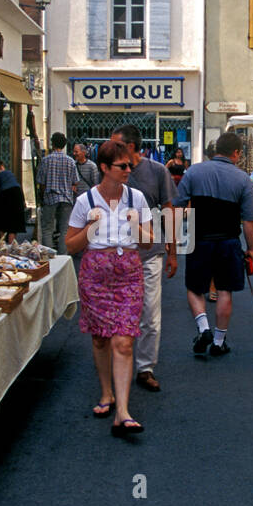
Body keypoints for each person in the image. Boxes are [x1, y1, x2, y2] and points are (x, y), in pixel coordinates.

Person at [65, 139, 151, 436]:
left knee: (123, 341)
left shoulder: (136, 198)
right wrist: (91, 227)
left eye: (130, 165)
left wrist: (135, 225)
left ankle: (124, 412)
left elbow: (150, 241)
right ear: (104, 168)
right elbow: (70, 245)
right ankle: (106, 392)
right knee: (101, 338)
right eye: (122, 166)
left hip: (128, 272)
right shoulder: (85, 201)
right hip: (95, 275)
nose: (129, 170)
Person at [174, 131, 253, 357]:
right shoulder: (242, 179)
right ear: (237, 153)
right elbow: (250, 220)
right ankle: (219, 342)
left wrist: (174, 240)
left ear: (216, 150)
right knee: (224, 290)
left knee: (194, 287)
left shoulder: (194, 171)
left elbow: (177, 206)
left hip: (199, 239)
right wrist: (251, 249)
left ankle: (203, 328)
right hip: (229, 241)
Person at [111, 125, 178, 392]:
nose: (110, 148)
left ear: (130, 146)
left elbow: (169, 212)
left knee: (150, 313)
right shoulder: (111, 170)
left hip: (150, 253)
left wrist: (173, 252)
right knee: (118, 312)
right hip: (118, 253)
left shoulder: (157, 171)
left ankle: (145, 367)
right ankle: (119, 362)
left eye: (116, 144)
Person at [36, 132, 77, 253]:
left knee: (47, 228)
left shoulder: (46, 160)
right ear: (64, 145)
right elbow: (75, 182)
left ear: (52, 144)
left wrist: (44, 195)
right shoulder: (70, 161)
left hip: (50, 197)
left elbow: (41, 182)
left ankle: (49, 256)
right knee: (65, 229)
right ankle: (63, 257)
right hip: (66, 198)